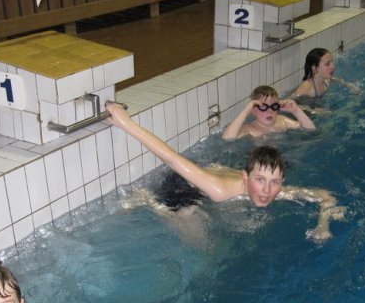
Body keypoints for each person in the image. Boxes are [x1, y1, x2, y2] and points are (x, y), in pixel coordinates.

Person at [106, 101, 345, 242]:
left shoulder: (275, 190)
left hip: (213, 173)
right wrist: (125, 122)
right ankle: (150, 200)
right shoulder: (219, 190)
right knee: (202, 244)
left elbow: (325, 196)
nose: (267, 190)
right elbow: (171, 158)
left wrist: (323, 225)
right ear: (246, 177)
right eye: (260, 180)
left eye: (274, 182)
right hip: (183, 185)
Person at [222, 85, 315, 140]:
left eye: (274, 106)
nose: (269, 111)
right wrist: (246, 111)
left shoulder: (283, 121)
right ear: (253, 110)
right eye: (263, 107)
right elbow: (227, 138)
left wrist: (296, 111)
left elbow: (310, 129)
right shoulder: (250, 129)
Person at [291, 48, 359, 100]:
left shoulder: (327, 80)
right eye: (327, 64)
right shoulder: (306, 87)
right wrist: (312, 110)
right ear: (315, 68)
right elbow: (288, 103)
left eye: (332, 62)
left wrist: (350, 85)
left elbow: (336, 79)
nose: (333, 66)